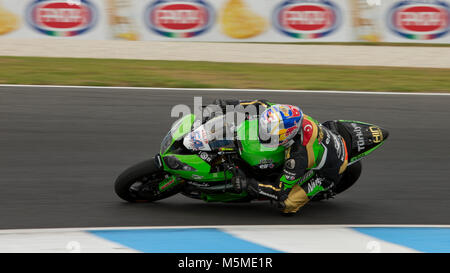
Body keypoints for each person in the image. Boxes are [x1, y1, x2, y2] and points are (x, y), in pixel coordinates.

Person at [187, 99, 349, 215]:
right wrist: (225, 105)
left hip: (329, 169)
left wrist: (249, 184)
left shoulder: (298, 156)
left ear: (287, 136)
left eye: (269, 135)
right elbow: (258, 105)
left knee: (286, 204)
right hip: (325, 138)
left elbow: (280, 191)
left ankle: (321, 187)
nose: (263, 134)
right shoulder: (280, 114)